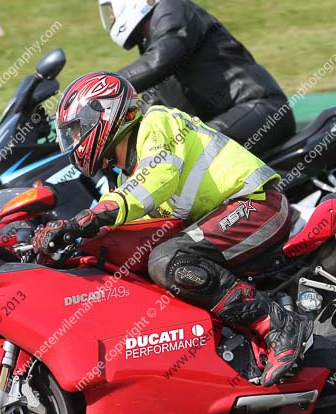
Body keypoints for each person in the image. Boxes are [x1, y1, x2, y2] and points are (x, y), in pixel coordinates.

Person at [32, 71, 311, 386]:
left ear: (102, 114)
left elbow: (157, 179)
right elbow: (127, 229)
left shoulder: (157, 123)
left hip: (256, 203)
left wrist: (90, 217)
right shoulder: (123, 178)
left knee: (169, 260)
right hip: (227, 217)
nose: (74, 142)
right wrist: (66, 245)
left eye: (76, 131)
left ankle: (276, 325)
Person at [97, 0, 295, 155]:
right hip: (236, 116)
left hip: (256, 107)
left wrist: (101, 88)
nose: (113, 17)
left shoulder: (172, 8)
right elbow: (152, 108)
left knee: (187, 153)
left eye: (112, 9)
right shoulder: (151, 42)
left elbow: (159, 61)